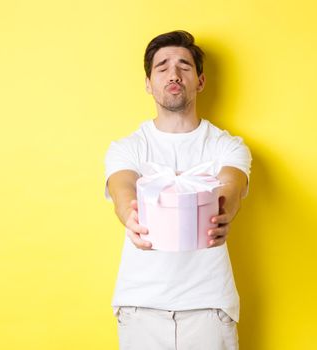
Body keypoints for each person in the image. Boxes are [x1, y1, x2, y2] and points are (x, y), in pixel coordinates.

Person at [104, 30, 252, 350]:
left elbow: (232, 184)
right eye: (162, 67)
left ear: (200, 81)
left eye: (185, 66)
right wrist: (131, 214)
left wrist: (223, 209)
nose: (174, 73)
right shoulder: (127, 147)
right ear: (148, 83)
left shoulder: (228, 146)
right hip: (141, 306)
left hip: (209, 307)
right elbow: (121, 187)